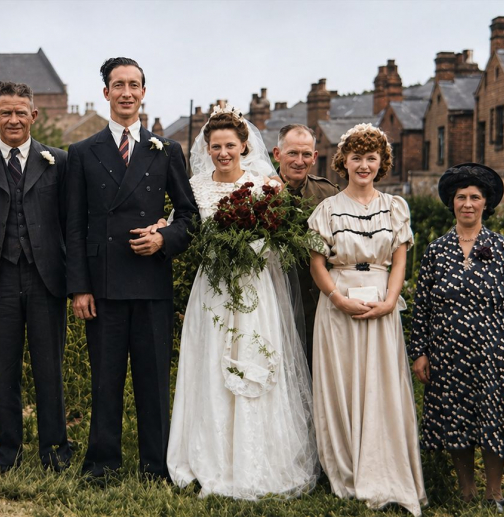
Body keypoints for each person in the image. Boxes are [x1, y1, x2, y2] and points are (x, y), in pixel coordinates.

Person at [166, 107, 318, 499]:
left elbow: (280, 240)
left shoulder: (264, 186)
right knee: (211, 367)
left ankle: (257, 458)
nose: (222, 152)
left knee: (254, 361)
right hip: (213, 291)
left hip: (253, 289)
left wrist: (252, 248)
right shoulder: (195, 187)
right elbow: (181, 229)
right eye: (215, 146)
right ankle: (210, 455)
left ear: (244, 145)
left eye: (229, 145)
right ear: (206, 148)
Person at [66, 57, 198, 481]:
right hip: (103, 285)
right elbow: (74, 225)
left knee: (153, 381)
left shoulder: (167, 150)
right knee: (105, 380)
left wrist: (163, 240)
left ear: (144, 92)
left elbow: (189, 216)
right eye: (118, 85)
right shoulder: (82, 153)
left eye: (134, 85)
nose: (126, 92)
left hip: (151, 282)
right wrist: (79, 288)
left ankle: (156, 466)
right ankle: (102, 464)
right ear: (105, 93)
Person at [308, 123, 427, 515]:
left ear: (381, 162)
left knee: (381, 386)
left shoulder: (395, 207)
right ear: (343, 161)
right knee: (343, 385)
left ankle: (384, 470)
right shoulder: (326, 209)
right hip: (338, 304)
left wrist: (391, 300)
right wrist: (337, 299)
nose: (363, 165)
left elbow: (399, 261)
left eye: (371, 158)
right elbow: (317, 263)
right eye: (356, 157)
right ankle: (346, 470)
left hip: (381, 305)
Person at [409, 163, 504, 512]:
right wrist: (420, 352)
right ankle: (466, 491)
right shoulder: (436, 251)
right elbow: (422, 307)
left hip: (495, 350)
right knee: (456, 421)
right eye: (460, 197)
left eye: (474, 197)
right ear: (451, 203)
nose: (467, 203)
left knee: (492, 421)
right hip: (448, 352)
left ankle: (494, 492)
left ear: (485, 203)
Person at [0, 81, 72, 472]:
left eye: (21, 112)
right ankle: (6, 453)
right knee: (4, 368)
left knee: (50, 368)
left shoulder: (58, 161)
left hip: (47, 278)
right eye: (6, 112)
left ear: (34, 115)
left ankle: (55, 452)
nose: (14, 119)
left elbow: (70, 223)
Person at [273, 124, 339, 369]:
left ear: (315, 157)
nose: (299, 161)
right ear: (277, 154)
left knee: (316, 371)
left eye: (305, 154)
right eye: (292, 153)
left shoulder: (328, 194)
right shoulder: (259, 191)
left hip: (315, 302)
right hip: (273, 299)